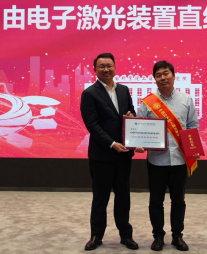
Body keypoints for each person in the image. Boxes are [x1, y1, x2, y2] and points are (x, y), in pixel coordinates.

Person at [135, 61, 200, 252]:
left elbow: (192, 125)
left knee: (178, 200)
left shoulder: (186, 99)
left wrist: (194, 148)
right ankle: (158, 236)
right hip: (156, 160)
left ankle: (177, 236)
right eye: (158, 75)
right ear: (154, 79)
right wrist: (138, 143)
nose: (163, 78)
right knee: (156, 201)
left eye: (166, 74)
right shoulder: (148, 103)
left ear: (173, 75)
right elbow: (138, 128)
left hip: (180, 159)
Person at [80, 53, 139, 251]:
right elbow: (92, 125)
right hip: (102, 155)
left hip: (124, 154)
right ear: (95, 70)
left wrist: (131, 116)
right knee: (100, 198)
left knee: (123, 197)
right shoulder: (89, 93)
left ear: (115, 67)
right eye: (102, 66)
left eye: (109, 65)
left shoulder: (124, 90)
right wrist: (111, 143)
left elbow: (131, 114)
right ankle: (96, 235)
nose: (106, 69)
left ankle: (126, 235)